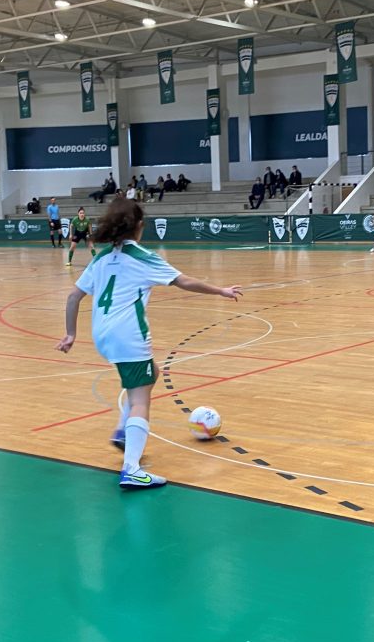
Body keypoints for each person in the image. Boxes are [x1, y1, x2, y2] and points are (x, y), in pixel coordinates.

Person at [56, 199, 242, 489]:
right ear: (139, 227)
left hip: (102, 335)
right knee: (141, 399)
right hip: (128, 335)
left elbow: (72, 297)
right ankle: (131, 468)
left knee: (149, 375)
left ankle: (122, 431)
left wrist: (70, 334)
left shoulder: (101, 257)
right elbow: (185, 281)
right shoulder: (142, 256)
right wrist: (221, 291)